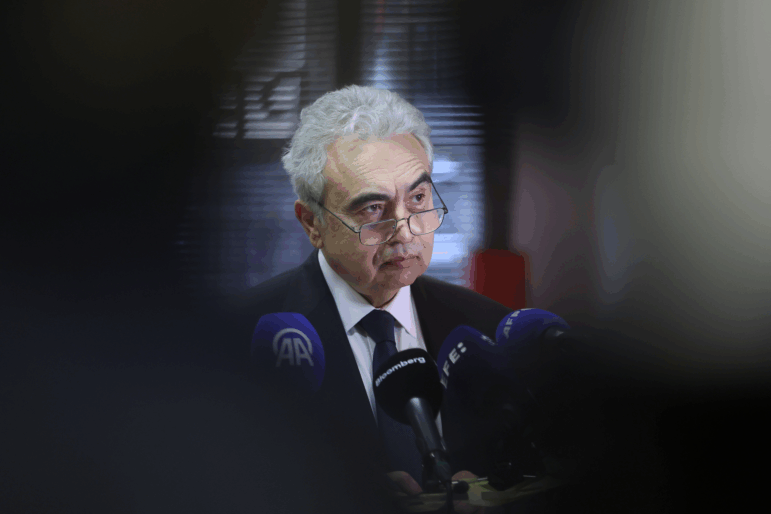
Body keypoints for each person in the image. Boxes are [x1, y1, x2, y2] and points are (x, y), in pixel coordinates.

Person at [237, 85, 513, 513]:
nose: (405, 231)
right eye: (372, 209)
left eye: (418, 198)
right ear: (312, 223)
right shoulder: (240, 339)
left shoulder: (487, 327)